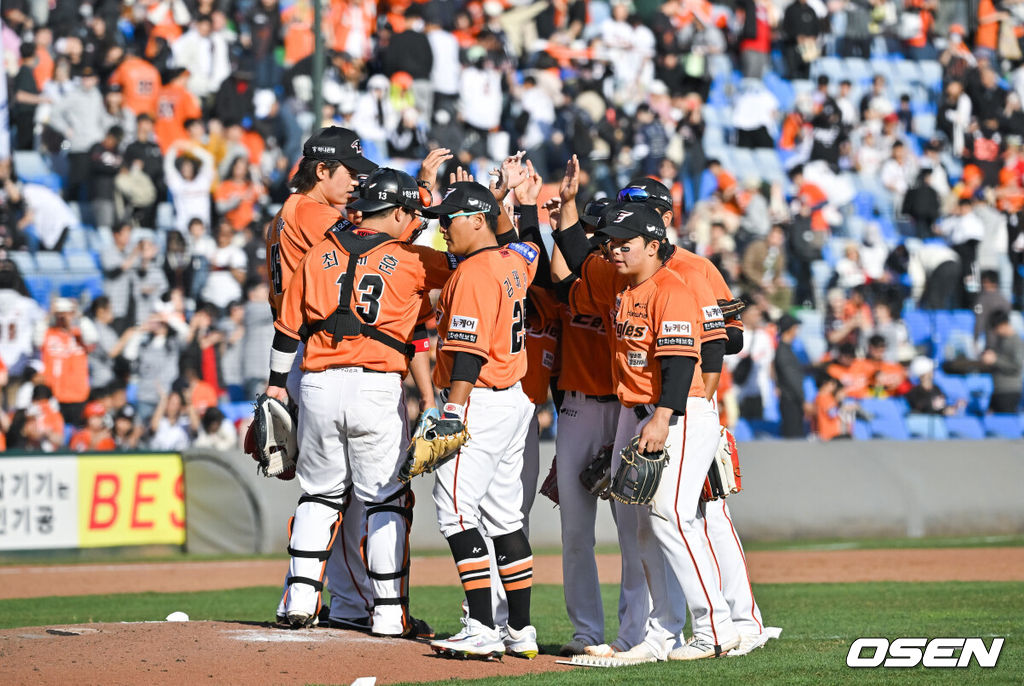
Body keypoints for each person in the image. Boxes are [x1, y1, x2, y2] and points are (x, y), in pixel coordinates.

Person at [552, 189, 740, 662]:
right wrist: (566, 208)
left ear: (653, 244)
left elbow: (680, 364)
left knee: (672, 517)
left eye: (624, 242)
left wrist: (661, 419)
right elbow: (577, 258)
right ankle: (661, 633)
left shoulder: (673, 289)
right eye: (611, 242)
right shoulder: (617, 284)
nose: (614, 249)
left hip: (676, 413)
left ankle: (715, 627)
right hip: (636, 417)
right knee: (642, 528)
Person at [267, 167, 452, 639]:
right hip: (375, 387)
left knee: (320, 494)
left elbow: (287, 329)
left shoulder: (317, 254)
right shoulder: (413, 259)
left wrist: (273, 386)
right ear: (390, 212)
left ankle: (299, 599)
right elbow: (461, 270)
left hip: (317, 383)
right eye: (410, 213)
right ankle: (389, 613)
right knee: (384, 500)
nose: (415, 221)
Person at [425, 181, 540, 660]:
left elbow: (468, 353)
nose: (442, 230)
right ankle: (520, 629)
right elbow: (531, 244)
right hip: (513, 399)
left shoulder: (473, 274)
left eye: (449, 220)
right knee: (504, 518)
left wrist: (452, 410)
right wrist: (510, 203)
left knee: (453, 509)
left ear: (477, 220)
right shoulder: (514, 261)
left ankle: (481, 626)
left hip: (479, 399)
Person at [40, 298, 91, 426]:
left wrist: (78, 316)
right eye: (60, 313)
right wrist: (48, 315)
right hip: (54, 395)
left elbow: (93, 338)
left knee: (76, 432)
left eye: (66, 313)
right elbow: (36, 340)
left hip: (78, 395)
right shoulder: (49, 333)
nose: (63, 317)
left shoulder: (80, 334)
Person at [980, 311, 1024, 413]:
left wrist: (995, 360)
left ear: (1003, 325)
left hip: (1009, 391)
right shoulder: (1001, 340)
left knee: (1005, 425)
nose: (995, 332)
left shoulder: (1016, 342)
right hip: (997, 390)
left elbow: (1017, 366)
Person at [774, 314, 805, 438]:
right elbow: (792, 379)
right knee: (793, 439)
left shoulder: (787, 350)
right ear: (790, 329)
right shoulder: (783, 352)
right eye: (795, 328)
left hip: (793, 400)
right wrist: (804, 400)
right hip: (790, 401)